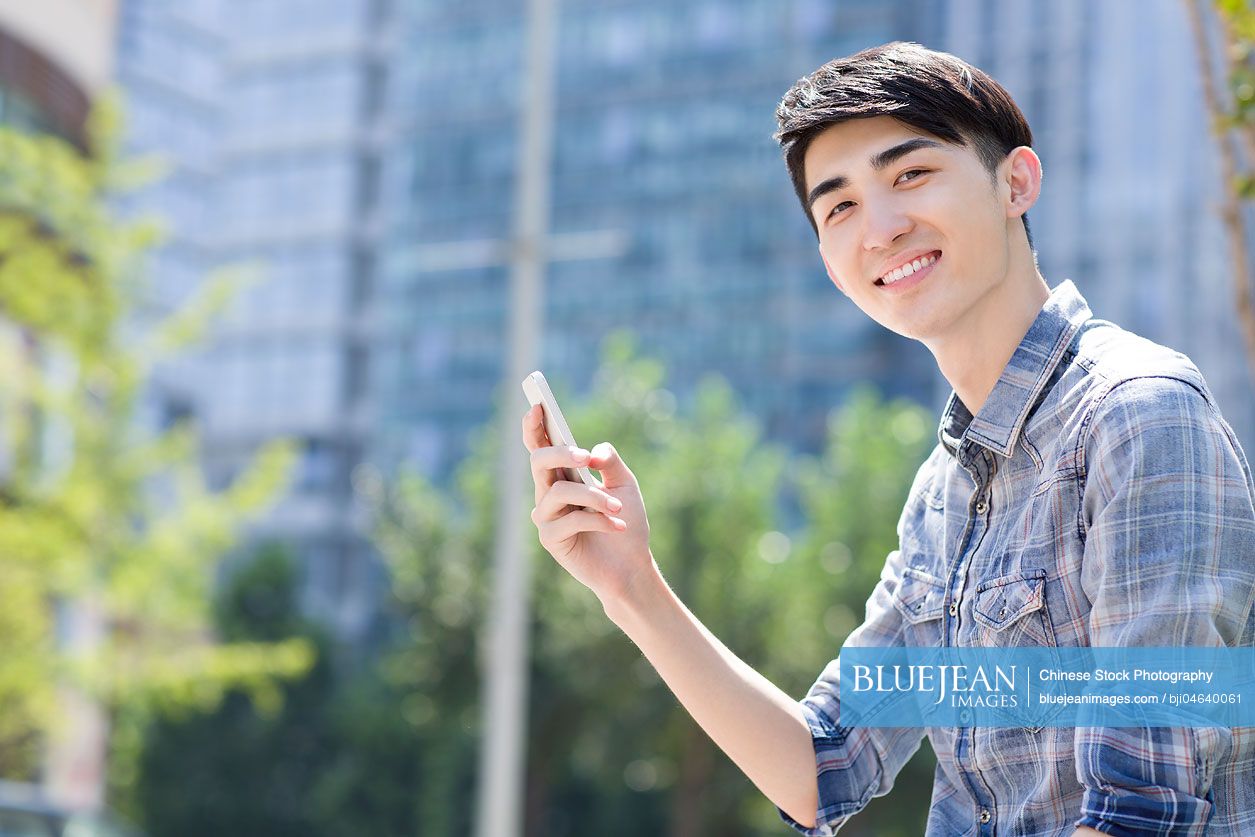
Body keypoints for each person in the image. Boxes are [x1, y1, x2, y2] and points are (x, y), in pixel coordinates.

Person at [520, 41, 1255, 835]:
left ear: (1016, 181)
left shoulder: (1138, 413)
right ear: (831, 264)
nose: (882, 226)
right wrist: (631, 586)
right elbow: (824, 764)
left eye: (910, 174)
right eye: (838, 207)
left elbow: (1143, 811)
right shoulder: (943, 491)